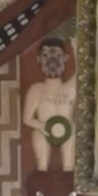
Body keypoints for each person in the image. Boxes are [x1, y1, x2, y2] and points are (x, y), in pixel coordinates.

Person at [20, 37, 77, 173]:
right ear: (39, 59)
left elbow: (82, 73)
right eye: (46, 55)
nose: (52, 60)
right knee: (41, 164)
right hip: (43, 132)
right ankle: (42, 174)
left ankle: (68, 174)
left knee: (69, 166)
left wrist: (76, 49)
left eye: (58, 55)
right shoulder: (36, 89)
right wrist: (44, 127)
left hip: (67, 132)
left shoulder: (70, 88)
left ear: (65, 58)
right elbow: (27, 118)